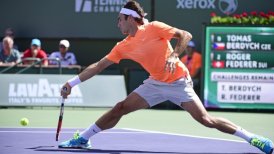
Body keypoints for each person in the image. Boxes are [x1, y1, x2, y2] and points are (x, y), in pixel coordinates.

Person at [59, 1, 273, 153]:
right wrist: (72, 83)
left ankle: (253, 138)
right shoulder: (122, 46)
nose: (118, 24)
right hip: (155, 83)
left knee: (206, 120)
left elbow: (185, 35)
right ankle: (83, 139)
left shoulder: (153, 27)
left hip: (178, 81)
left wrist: (173, 55)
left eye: (119, 20)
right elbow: (98, 66)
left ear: (130, 18)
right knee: (120, 108)